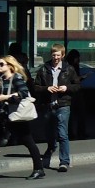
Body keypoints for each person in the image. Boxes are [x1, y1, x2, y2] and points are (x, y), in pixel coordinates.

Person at [0, 55, 45, 181]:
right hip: (4, 114)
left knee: (28, 140)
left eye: (1, 64)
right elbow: (1, 94)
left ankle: (39, 169)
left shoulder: (17, 77)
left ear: (10, 65)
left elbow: (23, 93)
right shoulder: (2, 79)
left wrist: (6, 97)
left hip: (16, 114)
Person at [33, 43, 80, 172]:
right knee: (49, 133)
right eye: (54, 55)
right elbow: (35, 86)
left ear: (63, 56)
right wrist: (46, 88)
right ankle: (51, 149)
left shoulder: (69, 69)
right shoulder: (44, 69)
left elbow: (77, 85)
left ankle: (64, 161)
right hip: (48, 105)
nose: (56, 58)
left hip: (63, 104)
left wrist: (67, 88)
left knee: (62, 133)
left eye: (58, 55)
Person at [67, 49, 90, 140]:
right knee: (79, 113)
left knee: (72, 114)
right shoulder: (72, 67)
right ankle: (80, 132)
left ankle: (71, 133)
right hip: (75, 91)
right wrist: (83, 77)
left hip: (73, 91)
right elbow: (74, 79)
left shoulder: (69, 65)